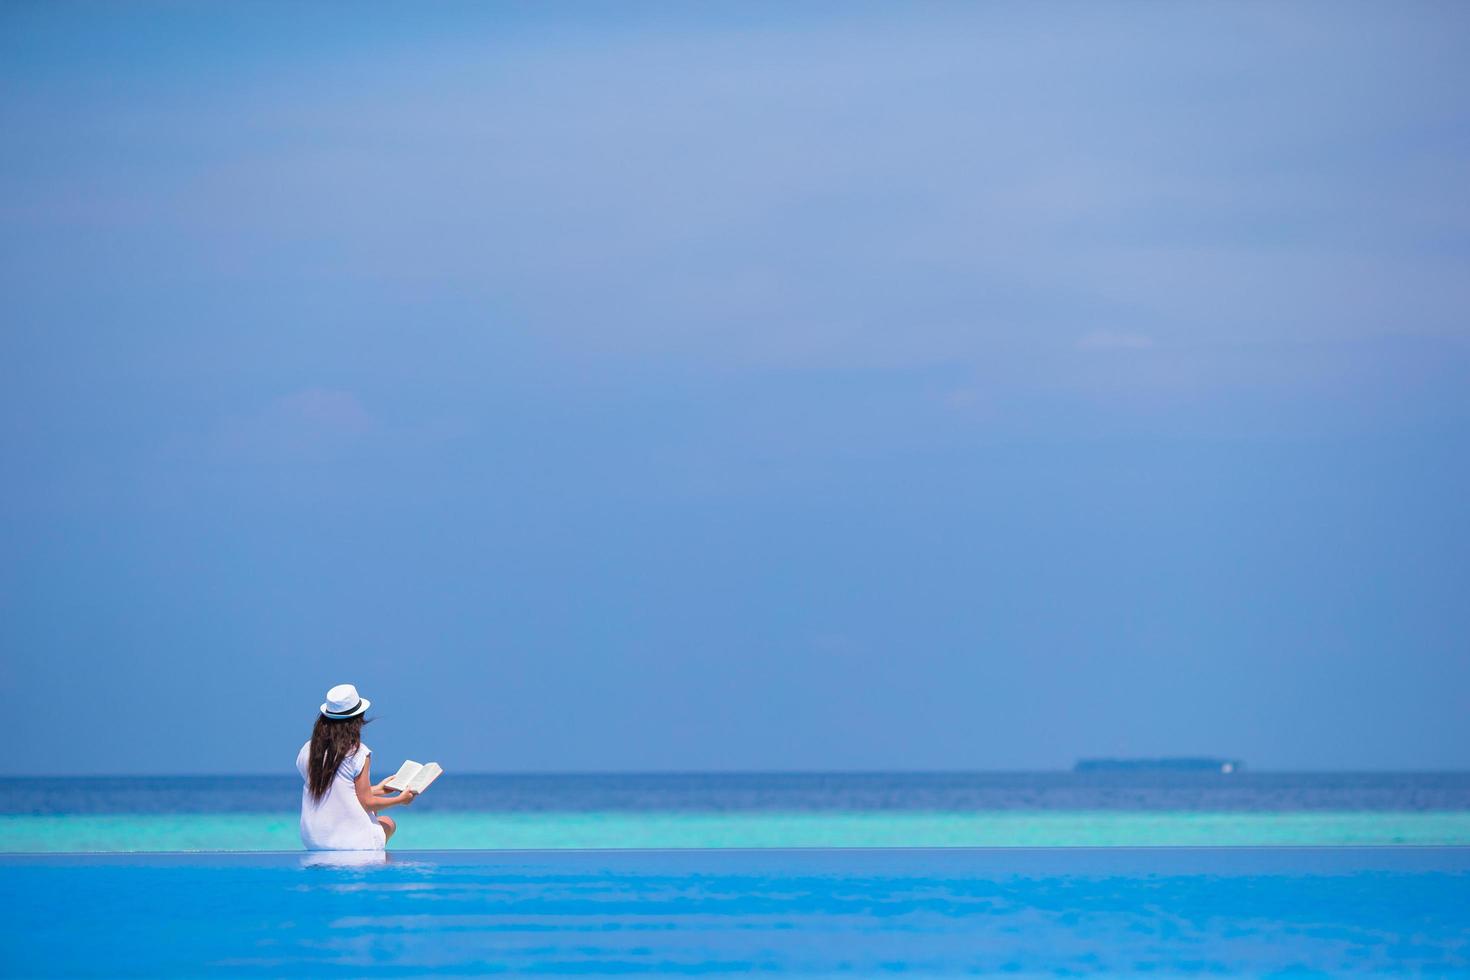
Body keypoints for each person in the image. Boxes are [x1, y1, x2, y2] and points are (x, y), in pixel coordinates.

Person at [296, 683, 416, 850]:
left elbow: (334, 791)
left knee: (374, 816)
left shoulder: (307, 750)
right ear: (358, 719)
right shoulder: (357, 753)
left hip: (313, 840)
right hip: (351, 842)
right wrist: (400, 800)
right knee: (388, 822)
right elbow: (367, 802)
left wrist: (377, 789)